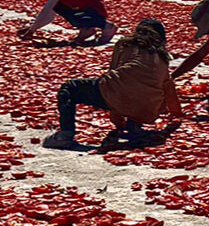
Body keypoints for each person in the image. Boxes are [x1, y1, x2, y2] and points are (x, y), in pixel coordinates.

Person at [49, 17, 182, 149]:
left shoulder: (125, 43)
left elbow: (114, 80)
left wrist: (117, 118)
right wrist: (177, 116)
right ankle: (134, 124)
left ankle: (65, 134)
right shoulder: (162, 56)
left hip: (119, 95)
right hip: (148, 110)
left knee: (70, 88)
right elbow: (169, 89)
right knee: (139, 90)